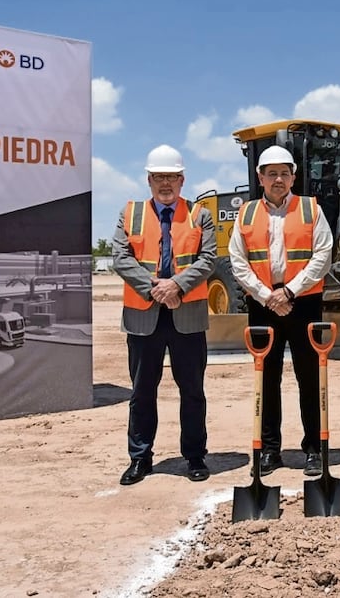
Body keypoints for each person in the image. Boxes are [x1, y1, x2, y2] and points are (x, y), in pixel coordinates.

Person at [111, 145, 217, 486]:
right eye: (159, 177)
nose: (165, 183)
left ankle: (195, 456)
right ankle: (140, 458)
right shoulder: (131, 213)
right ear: (149, 179)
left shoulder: (200, 214)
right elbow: (121, 258)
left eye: (171, 176)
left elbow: (208, 258)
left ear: (182, 179)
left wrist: (176, 287)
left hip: (187, 315)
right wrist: (155, 288)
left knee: (193, 391)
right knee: (142, 391)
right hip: (144, 316)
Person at [229, 145, 333, 477]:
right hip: (262, 305)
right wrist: (266, 295)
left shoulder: (311, 210)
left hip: (303, 303)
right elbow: (238, 262)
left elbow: (323, 255)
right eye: (271, 173)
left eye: (284, 173)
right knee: (266, 378)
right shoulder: (245, 214)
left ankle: (314, 448)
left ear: (294, 176)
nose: (278, 179)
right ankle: (269, 450)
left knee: (310, 377)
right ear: (260, 177)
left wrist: (288, 291)